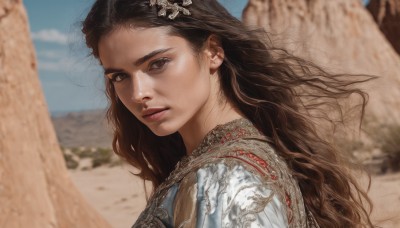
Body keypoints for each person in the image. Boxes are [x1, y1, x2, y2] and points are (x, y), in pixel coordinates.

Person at [82, 0, 374, 227]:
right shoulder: (242, 156)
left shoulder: (221, 181)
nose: (137, 93)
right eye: (119, 77)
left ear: (212, 51)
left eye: (157, 64)